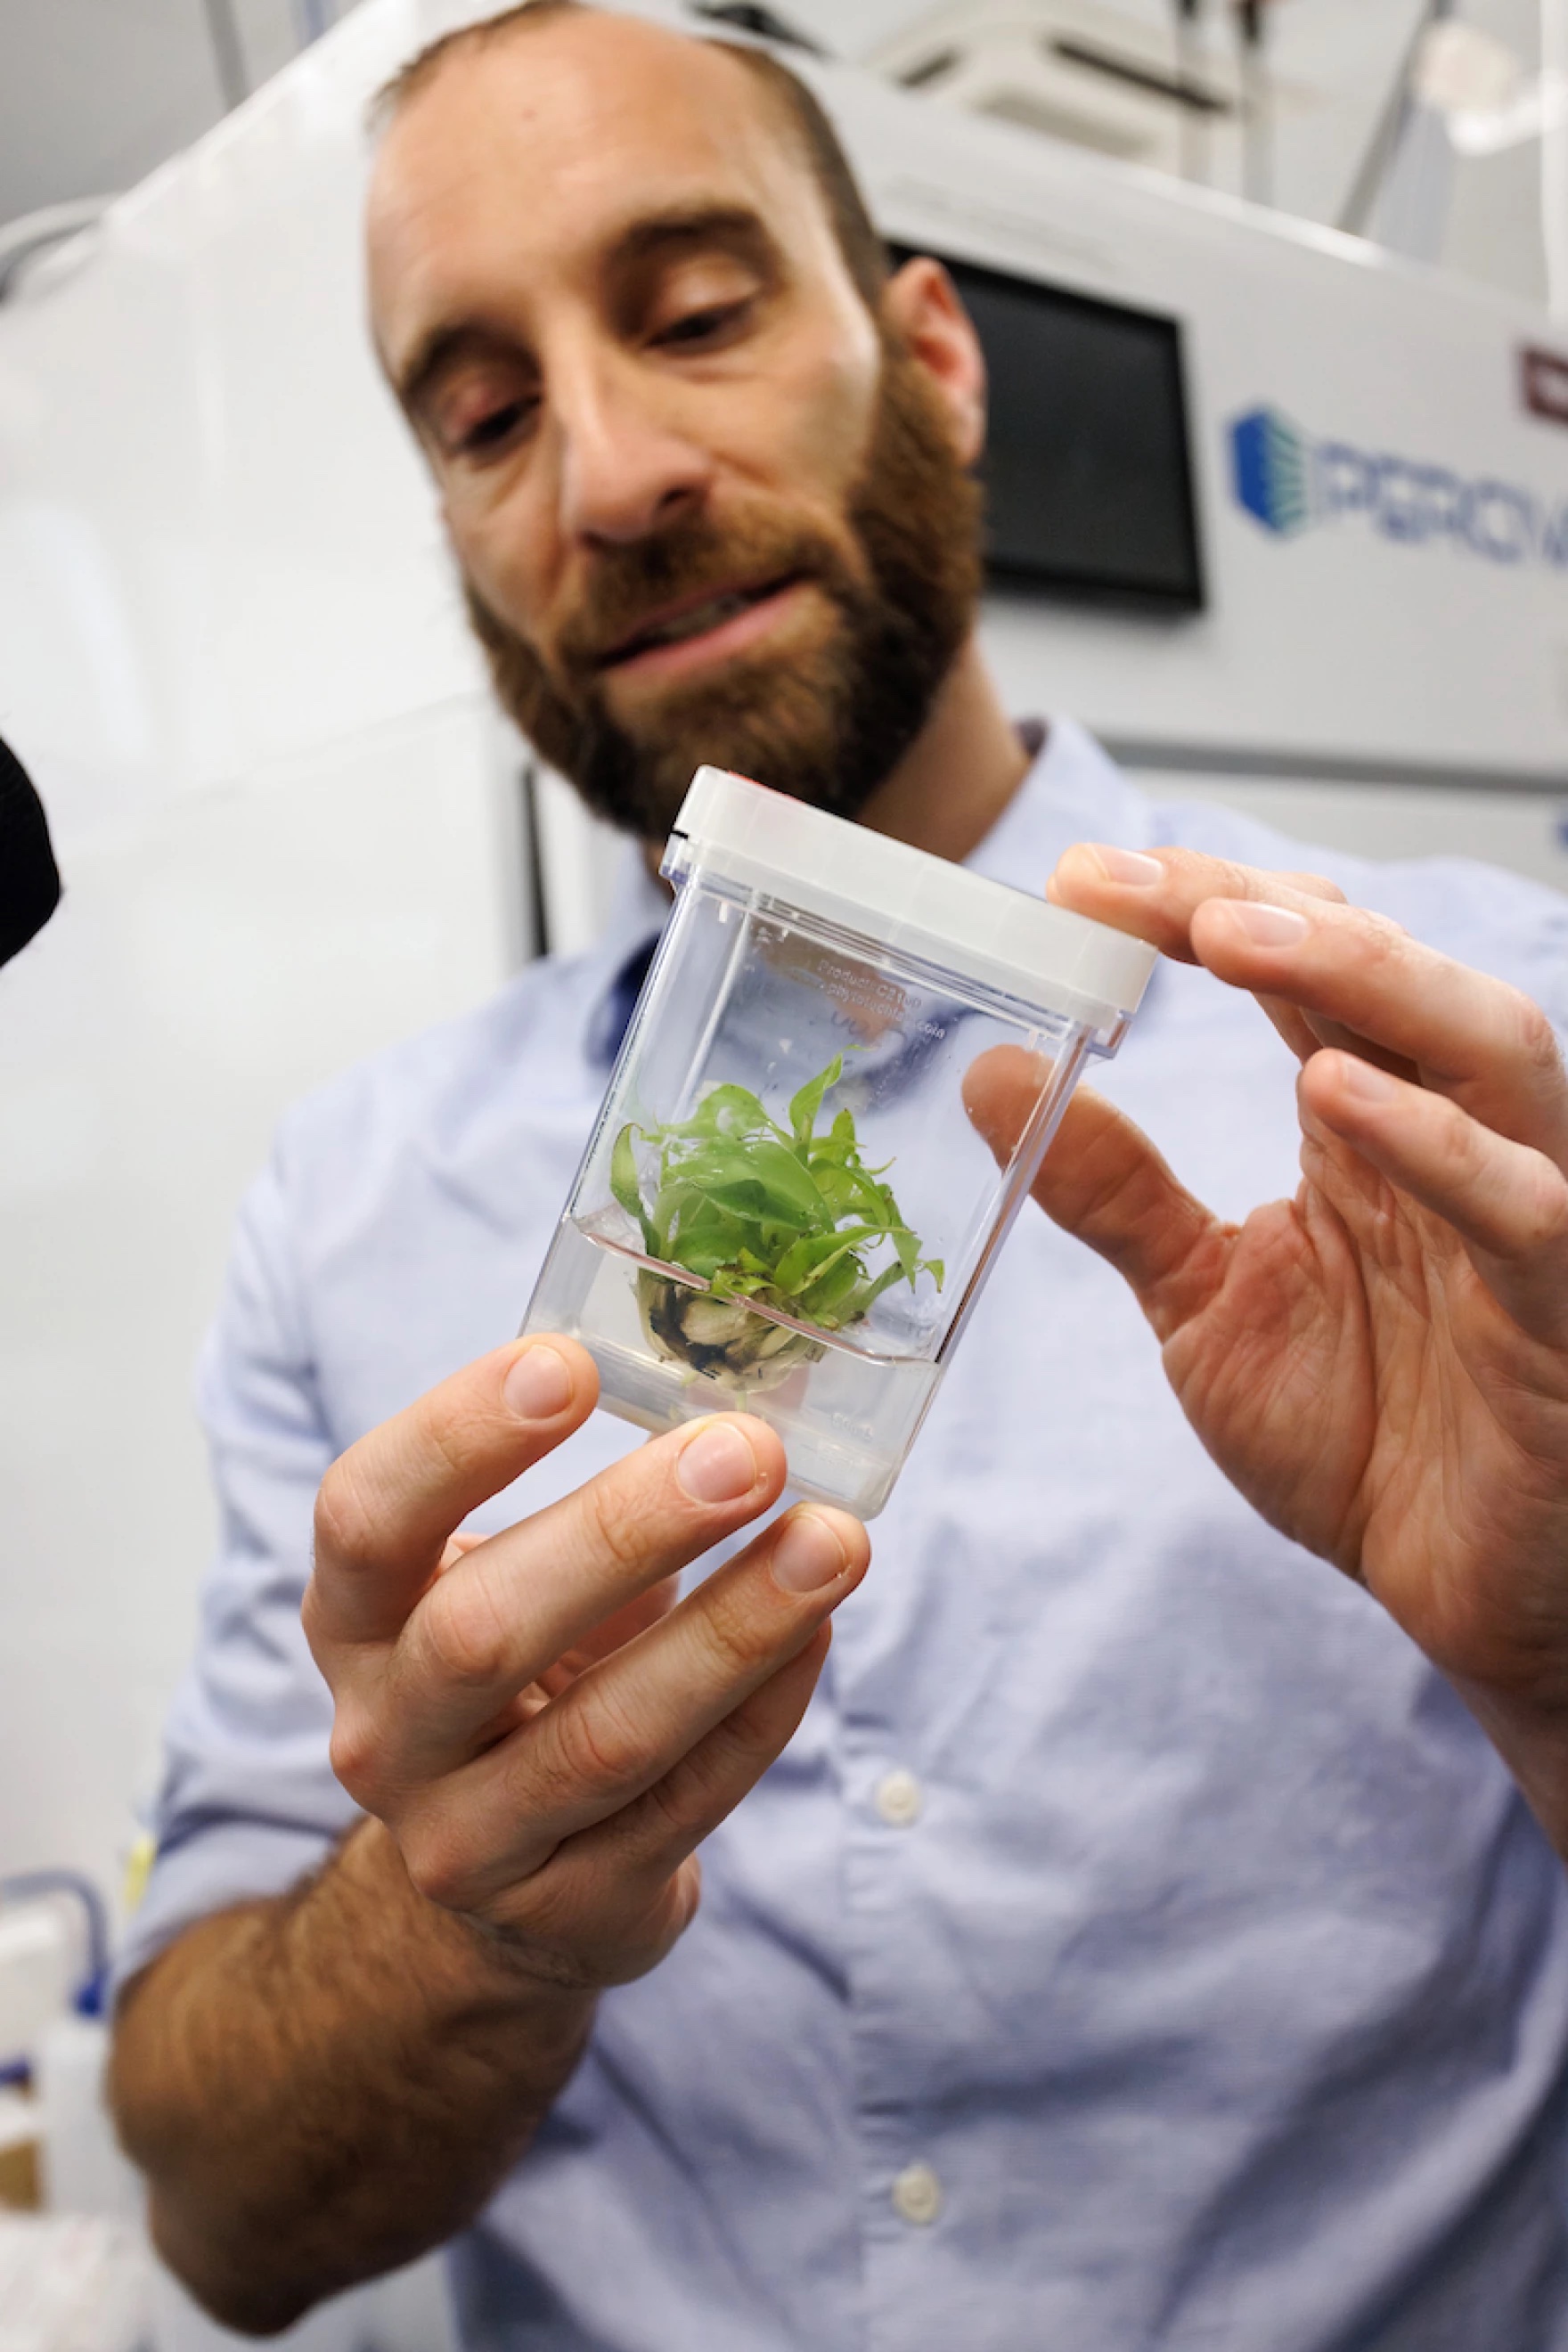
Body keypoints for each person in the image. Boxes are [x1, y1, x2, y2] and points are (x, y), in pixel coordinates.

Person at [108, 7, 1568, 2346]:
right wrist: (454, 1922)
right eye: (483, 416)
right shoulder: (356, 1203)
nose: (605, 471)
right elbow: (215, 2217)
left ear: (937, 360)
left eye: (695, 314)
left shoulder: (1483, 1084)